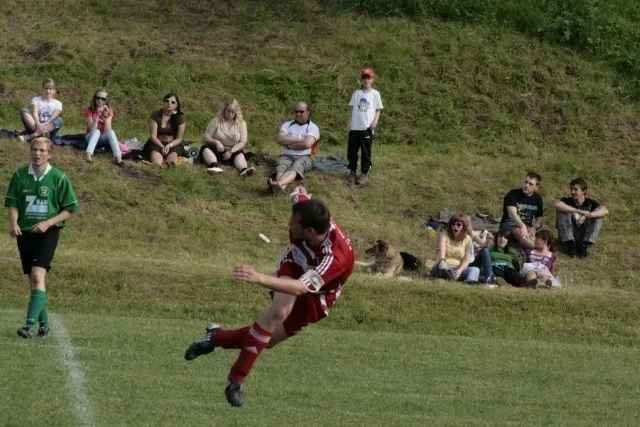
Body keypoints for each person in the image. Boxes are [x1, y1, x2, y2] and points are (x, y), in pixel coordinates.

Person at [184, 186, 355, 407]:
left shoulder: (336, 257)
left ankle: (214, 338)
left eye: (294, 223)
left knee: (269, 340)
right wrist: (297, 191)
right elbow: (299, 195)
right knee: (278, 312)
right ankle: (236, 379)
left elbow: (300, 288)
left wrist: (258, 278)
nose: (289, 225)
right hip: (294, 264)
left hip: (318, 294)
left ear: (310, 231)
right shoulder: (306, 210)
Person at [4, 137, 79, 338]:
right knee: (34, 281)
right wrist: (13, 223)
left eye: (42, 150)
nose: (37, 153)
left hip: (48, 234)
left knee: (38, 276)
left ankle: (29, 327)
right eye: (35, 149)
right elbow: (13, 203)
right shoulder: (20, 175)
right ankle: (44, 325)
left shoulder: (59, 178)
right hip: (25, 233)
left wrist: (48, 223)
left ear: (49, 154)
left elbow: (70, 209)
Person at [267, 102, 319, 193]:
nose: (298, 114)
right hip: (287, 155)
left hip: (306, 156)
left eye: (301, 111)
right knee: (281, 166)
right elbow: (280, 139)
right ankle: (280, 188)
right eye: (296, 111)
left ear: (308, 112)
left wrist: (289, 144)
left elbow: (307, 144)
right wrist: (299, 139)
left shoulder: (313, 127)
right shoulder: (287, 124)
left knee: (296, 167)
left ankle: (278, 184)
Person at [555, 178, 609, 258]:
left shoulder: (590, 203)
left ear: (583, 191)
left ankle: (584, 245)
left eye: (575, 189)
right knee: (562, 209)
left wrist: (589, 215)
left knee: (599, 214)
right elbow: (558, 205)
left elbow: (605, 211)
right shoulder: (567, 200)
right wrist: (579, 211)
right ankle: (570, 244)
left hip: (583, 235)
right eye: (571, 189)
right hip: (569, 234)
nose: (572, 192)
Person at [346, 68, 383, 186]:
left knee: (366, 152)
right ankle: (352, 171)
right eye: (364, 78)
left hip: (367, 128)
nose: (366, 80)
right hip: (354, 128)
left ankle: (364, 173)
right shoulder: (356, 93)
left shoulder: (375, 94)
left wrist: (374, 122)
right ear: (361, 80)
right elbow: (352, 109)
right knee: (352, 152)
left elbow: (378, 110)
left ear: (372, 79)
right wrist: (349, 122)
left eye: (368, 78)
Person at [201, 99, 254, 176]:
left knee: (239, 154)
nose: (230, 114)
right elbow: (206, 137)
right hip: (216, 149)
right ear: (224, 110)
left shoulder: (242, 123)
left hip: (233, 150)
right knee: (205, 148)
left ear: (236, 113)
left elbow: (243, 142)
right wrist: (216, 142)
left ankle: (244, 170)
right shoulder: (216, 120)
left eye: (233, 112)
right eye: (228, 110)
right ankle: (214, 166)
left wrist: (231, 151)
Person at [430, 214, 480, 283]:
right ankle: (450, 278)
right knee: (444, 267)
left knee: (475, 269)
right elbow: (442, 251)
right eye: (453, 224)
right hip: (444, 266)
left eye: (458, 225)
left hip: (458, 269)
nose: (455, 226)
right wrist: (442, 261)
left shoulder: (468, 239)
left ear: (463, 226)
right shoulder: (444, 235)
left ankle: (470, 282)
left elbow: (466, 258)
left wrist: (460, 270)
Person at [500, 172, 544, 249]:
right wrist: (522, 226)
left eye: (530, 184)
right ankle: (539, 250)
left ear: (536, 187)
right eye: (526, 182)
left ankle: (539, 249)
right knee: (521, 234)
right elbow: (512, 214)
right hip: (509, 223)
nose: (526, 185)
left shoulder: (538, 198)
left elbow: (539, 217)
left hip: (528, 225)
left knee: (533, 236)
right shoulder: (513, 194)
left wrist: (534, 228)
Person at [142, 93, 186, 167]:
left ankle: (168, 159)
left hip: (173, 144)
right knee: (156, 163)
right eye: (167, 101)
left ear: (176, 105)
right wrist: (161, 146)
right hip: (156, 143)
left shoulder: (180, 117)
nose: (169, 103)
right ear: (163, 102)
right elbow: (153, 136)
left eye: (172, 102)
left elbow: (179, 138)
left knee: (172, 163)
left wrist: (169, 145)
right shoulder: (155, 115)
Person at [83, 88, 123, 166]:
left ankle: (118, 158)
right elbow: (92, 130)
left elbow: (108, 131)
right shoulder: (89, 110)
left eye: (103, 99)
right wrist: (97, 116)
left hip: (102, 138)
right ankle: (88, 154)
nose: (100, 100)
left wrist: (106, 116)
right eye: (98, 98)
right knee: (97, 131)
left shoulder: (109, 110)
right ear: (94, 98)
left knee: (111, 132)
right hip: (90, 137)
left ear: (106, 100)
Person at [18, 78, 64, 143]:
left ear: (54, 91)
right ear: (42, 89)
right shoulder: (36, 99)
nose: (48, 91)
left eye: (50, 89)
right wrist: (38, 124)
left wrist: (45, 124)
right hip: (35, 126)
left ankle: (34, 135)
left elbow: (53, 117)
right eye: (46, 88)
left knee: (60, 120)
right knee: (23, 110)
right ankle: (38, 133)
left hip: (49, 131)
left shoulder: (58, 103)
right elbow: (35, 113)